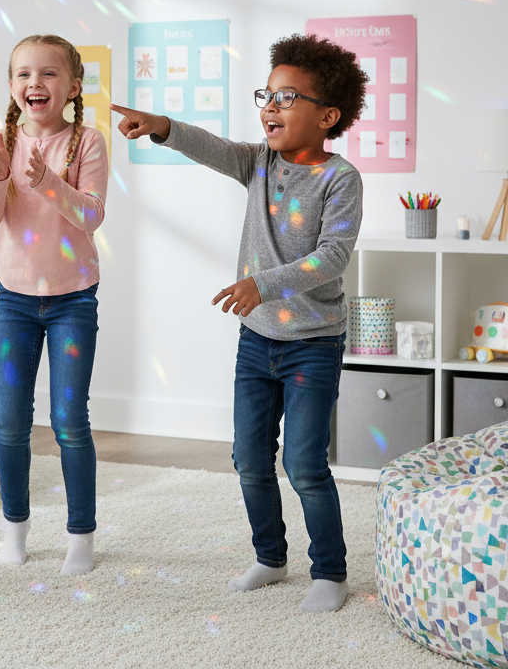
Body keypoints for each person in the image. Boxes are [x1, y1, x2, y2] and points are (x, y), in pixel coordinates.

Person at [111, 33, 367, 613]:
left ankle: (330, 571)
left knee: (302, 462)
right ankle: (271, 558)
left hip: (312, 344)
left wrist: (263, 282)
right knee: (249, 458)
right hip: (257, 342)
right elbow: (207, 145)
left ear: (327, 115)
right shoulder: (257, 162)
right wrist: (161, 125)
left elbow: (332, 257)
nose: (271, 106)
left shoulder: (339, 179)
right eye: (267, 94)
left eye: (287, 96)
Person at [0, 34, 109, 576]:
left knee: (70, 419)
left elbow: (92, 216)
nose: (36, 83)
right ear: (11, 86)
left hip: (74, 300)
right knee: (10, 422)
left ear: (73, 86)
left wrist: (48, 183)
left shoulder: (87, 142)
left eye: (49, 74)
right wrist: (3, 175)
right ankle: (15, 531)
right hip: (16, 304)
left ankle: (81, 536)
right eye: (25, 74)